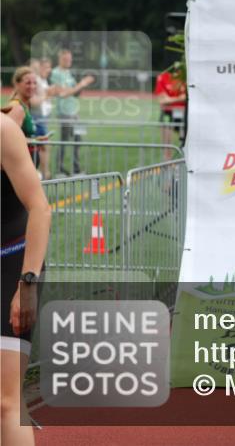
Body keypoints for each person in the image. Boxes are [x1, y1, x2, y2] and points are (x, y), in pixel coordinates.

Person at [1, 114, 52, 446]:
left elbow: (40, 208)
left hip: (11, 266)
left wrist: (28, 284)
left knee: (5, 400)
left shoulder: (3, 130)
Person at [48, 48, 94, 175]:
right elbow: (64, 93)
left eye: (70, 59)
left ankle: (76, 169)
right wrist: (83, 83)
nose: (69, 61)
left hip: (75, 112)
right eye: (66, 59)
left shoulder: (69, 72)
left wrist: (82, 86)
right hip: (64, 112)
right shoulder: (55, 73)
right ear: (60, 59)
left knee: (78, 139)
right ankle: (59, 169)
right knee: (64, 140)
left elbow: (75, 92)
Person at [154, 62, 187, 157]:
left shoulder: (186, 77)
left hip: (184, 113)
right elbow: (162, 100)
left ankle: (184, 166)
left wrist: (171, 99)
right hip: (167, 113)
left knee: (185, 142)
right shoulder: (163, 77)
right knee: (167, 144)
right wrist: (180, 98)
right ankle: (168, 167)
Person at [30, 59, 52, 179]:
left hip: (41, 117)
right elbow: (34, 102)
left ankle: (44, 173)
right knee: (39, 146)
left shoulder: (39, 80)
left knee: (44, 146)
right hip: (35, 118)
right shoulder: (34, 82)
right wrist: (47, 95)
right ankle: (42, 173)